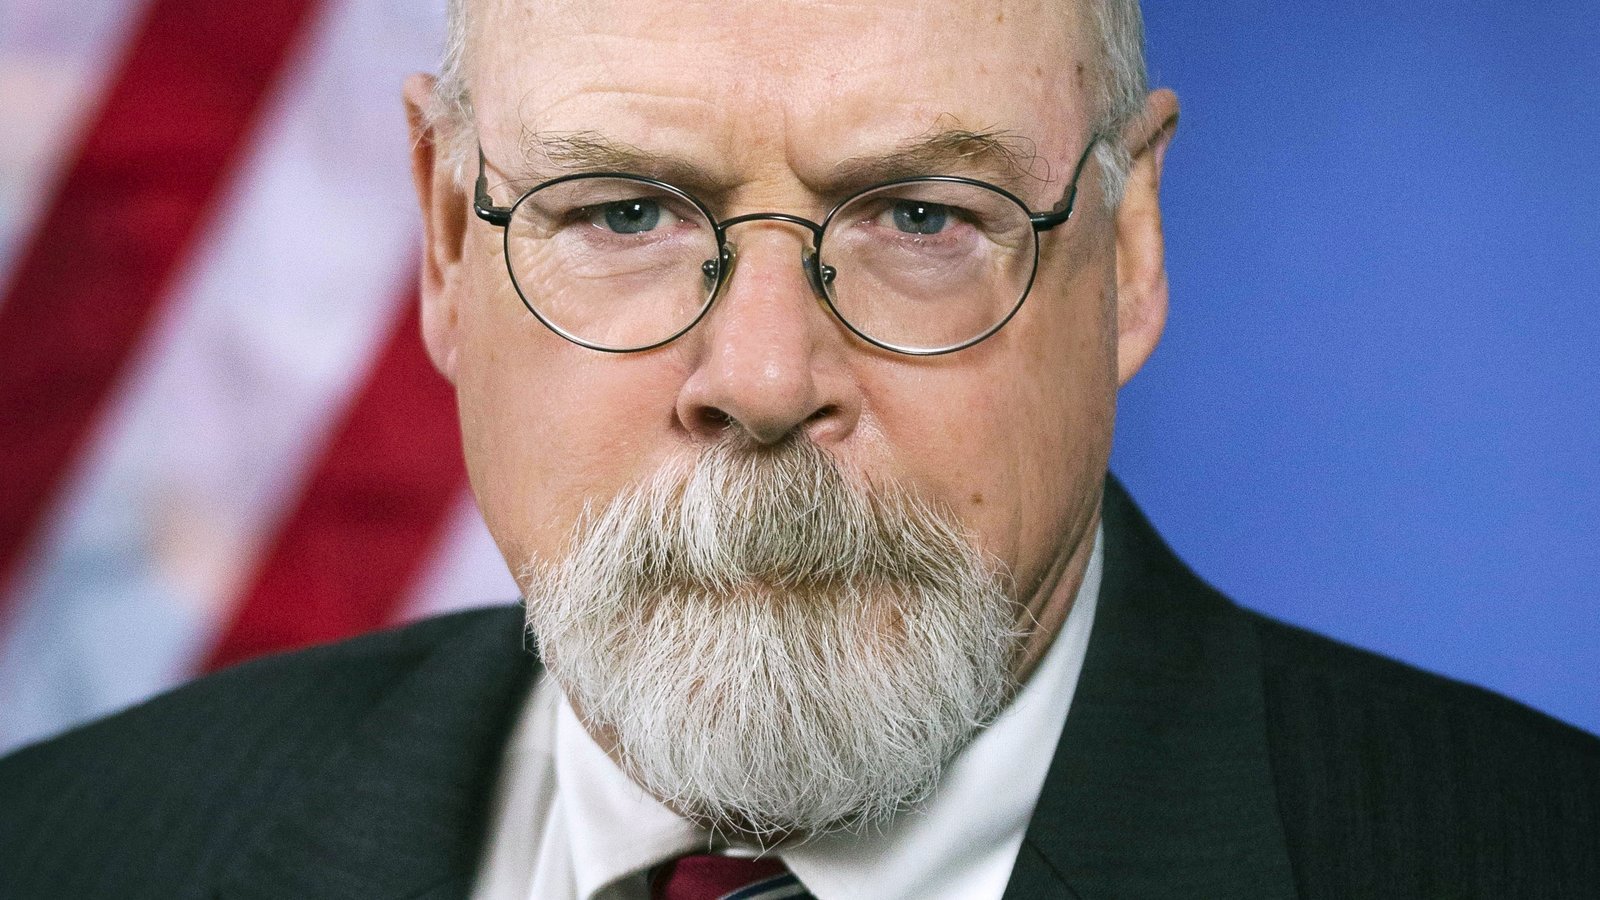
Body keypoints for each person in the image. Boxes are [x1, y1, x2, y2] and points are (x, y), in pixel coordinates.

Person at [1, 0, 1595, 896]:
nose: (763, 378)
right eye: (624, 211)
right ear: (445, 240)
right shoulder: (67, 851)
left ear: (1127, 253)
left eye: (923, 218)